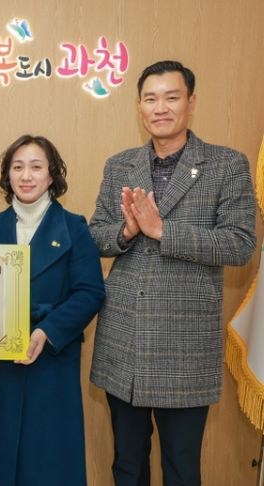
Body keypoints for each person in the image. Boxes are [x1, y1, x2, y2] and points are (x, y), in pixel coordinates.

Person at [89, 60, 257, 486]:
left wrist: (163, 231)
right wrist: (126, 232)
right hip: (124, 340)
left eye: (171, 97)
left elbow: (240, 244)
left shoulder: (226, 164)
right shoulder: (119, 165)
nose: (160, 108)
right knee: (127, 465)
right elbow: (95, 236)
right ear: (139, 107)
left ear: (191, 102)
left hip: (185, 346)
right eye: (150, 99)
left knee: (182, 469)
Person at [0, 135, 105, 485]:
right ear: (7, 175)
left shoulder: (74, 227)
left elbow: (89, 292)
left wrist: (47, 330)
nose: (26, 176)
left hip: (51, 361)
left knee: (47, 465)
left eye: (36, 167)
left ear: (52, 174)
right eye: (17, 167)